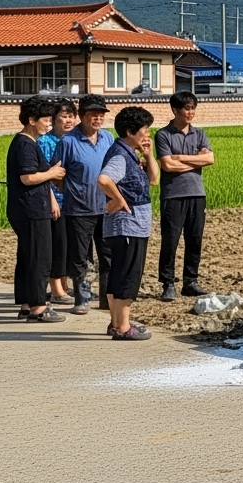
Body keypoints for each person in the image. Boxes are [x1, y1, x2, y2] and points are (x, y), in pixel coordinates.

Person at [96, 106, 158, 340]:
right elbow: (104, 179)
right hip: (128, 226)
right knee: (128, 276)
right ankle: (123, 327)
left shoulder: (128, 153)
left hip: (128, 226)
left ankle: (116, 323)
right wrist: (120, 200)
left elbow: (154, 179)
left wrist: (148, 154)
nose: (147, 134)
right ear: (130, 132)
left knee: (118, 273)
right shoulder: (121, 156)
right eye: (144, 130)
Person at [8, 96, 67, 322]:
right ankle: (38, 307)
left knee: (28, 256)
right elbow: (28, 177)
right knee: (39, 258)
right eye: (45, 120)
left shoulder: (28, 142)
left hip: (31, 207)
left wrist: (51, 198)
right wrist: (52, 173)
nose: (49, 124)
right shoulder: (25, 144)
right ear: (31, 120)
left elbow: (37, 176)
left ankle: (27, 303)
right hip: (31, 209)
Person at [56, 94, 114, 315]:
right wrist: (73, 191)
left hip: (106, 207)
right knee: (80, 257)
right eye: (93, 115)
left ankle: (108, 299)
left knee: (108, 255)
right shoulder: (68, 141)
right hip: (78, 210)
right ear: (82, 116)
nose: (98, 119)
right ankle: (82, 299)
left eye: (101, 115)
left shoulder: (108, 138)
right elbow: (57, 174)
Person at [155, 91, 215, 301]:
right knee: (170, 241)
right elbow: (167, 165)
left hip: (197, 194)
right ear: (175, 110)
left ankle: (190, 281)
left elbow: (210, 159)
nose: (190, 112)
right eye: (186, 109)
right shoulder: (163, 134)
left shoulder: (199, 134)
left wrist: (180, 157)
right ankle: (168, 283)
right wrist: (195, 160)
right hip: (173, 195)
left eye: (192, 108)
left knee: (194, 239)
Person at [40, 97, 78, 305]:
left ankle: (64, 285)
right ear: (54, 119)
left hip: (75, 203)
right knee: (58, 246)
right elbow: (44, 174)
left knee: (70, 247)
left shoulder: (76, 140)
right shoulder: (45, 142)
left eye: (71, 116)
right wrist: (52, 200)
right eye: (64, 116)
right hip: (56, 201)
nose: (68, 120)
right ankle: (56, 290)